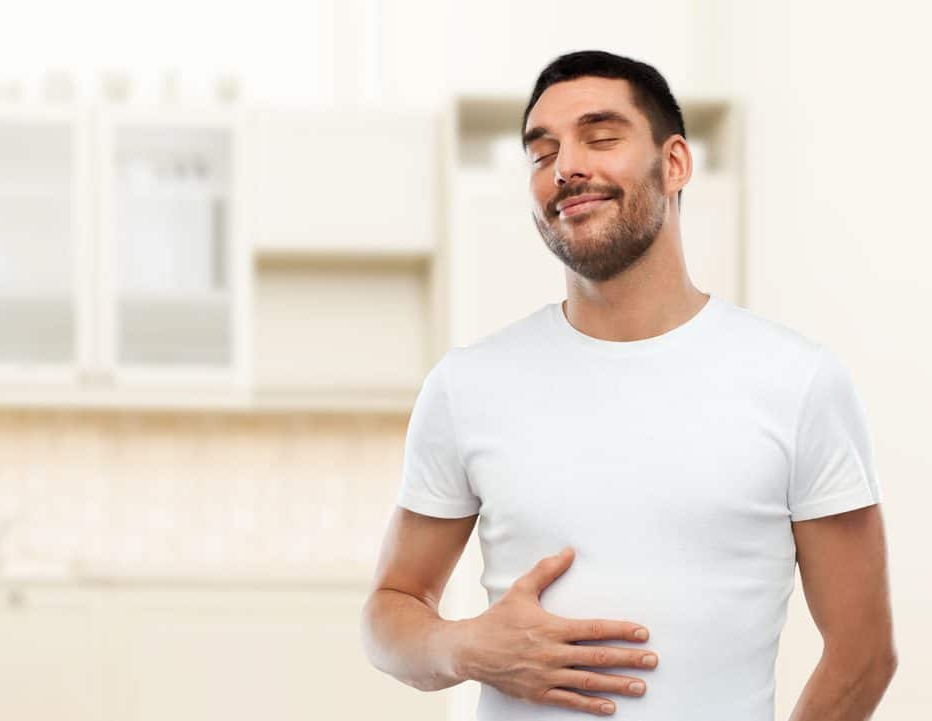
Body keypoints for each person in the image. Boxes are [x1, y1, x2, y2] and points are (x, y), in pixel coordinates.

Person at [360, 50, 896, 720]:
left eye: (601, 137)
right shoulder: (467, 385)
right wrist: (467, 645)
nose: (566, 166)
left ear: (674, 164)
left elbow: (864, 650)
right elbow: (388, 613)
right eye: (542, 151)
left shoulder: (798, 381)